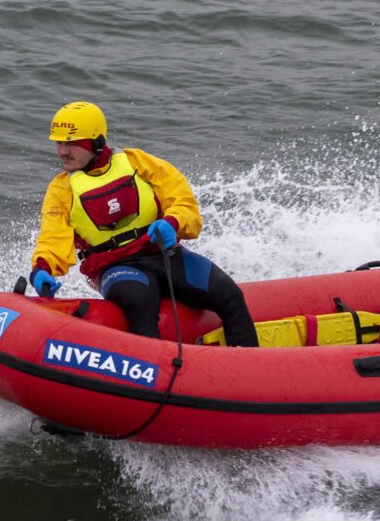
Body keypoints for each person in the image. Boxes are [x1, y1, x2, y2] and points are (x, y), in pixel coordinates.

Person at [25, 100, 259, 347]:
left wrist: (172, 222)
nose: (62, 151)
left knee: (230, 294)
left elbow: (183, 201)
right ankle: (156, 379)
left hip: (164, 254)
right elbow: (53, 237)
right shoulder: (61, 189)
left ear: (96, 143)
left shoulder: (138, 162)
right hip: (114, 266)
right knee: (140, 304)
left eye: (71, 144)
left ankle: (250, 367)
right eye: (59, 143)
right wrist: (41, 269)